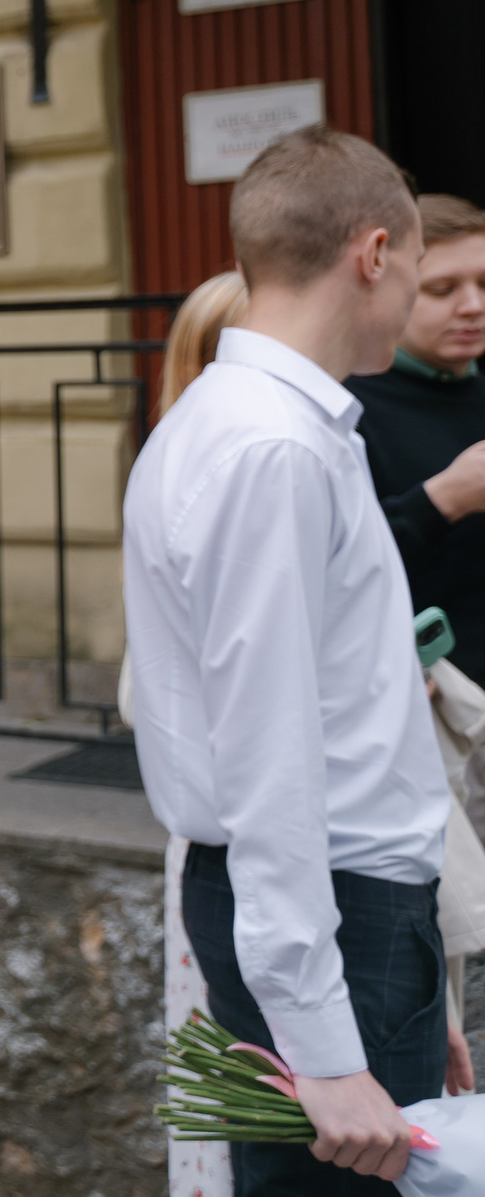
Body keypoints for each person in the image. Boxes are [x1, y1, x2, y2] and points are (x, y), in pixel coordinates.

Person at [125, 125, 451, 1193]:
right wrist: (328, 1047)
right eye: (415, 267)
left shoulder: (262, 426)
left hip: (342, 922)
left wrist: (416, 994)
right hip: (329, 920)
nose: (410, 299)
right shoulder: (270, 445)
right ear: (372, 254)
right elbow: (269, 756)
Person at [345, 193, 485, 692]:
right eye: (442, 289)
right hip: (428, 707)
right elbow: (329, 571)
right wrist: (443, 499)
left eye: (484, 283)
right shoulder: (346, 406)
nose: (473, 306)